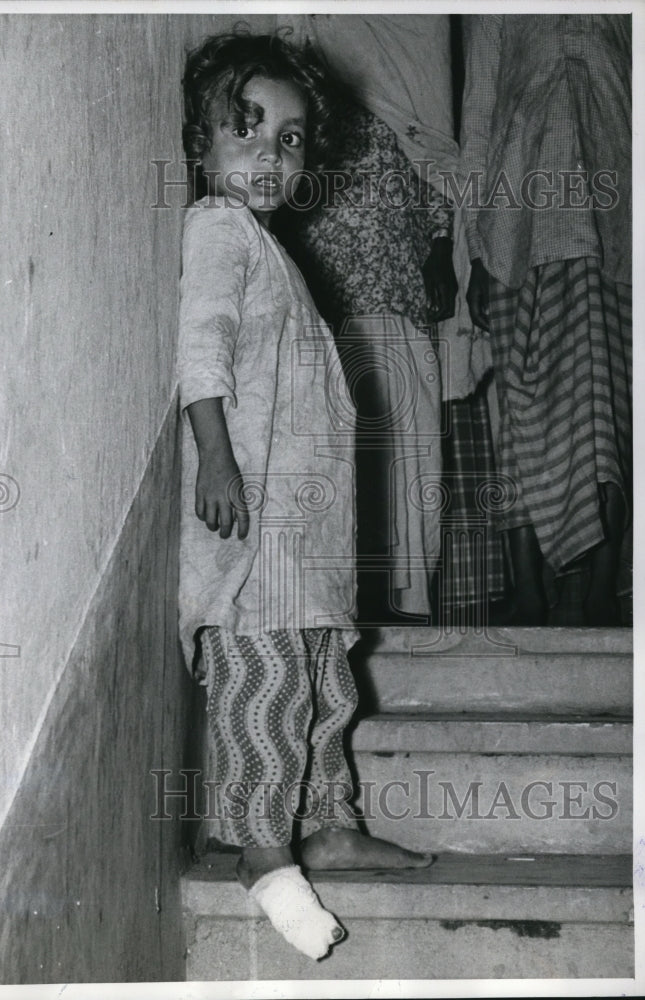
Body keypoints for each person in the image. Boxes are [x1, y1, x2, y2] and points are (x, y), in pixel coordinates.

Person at [177, 30, 432, 962]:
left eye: (288, 139)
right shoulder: (214, 230)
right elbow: (199, 352)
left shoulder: (271, 251)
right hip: (254, 534)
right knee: (266, 688)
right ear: (198, 146)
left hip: (306, 537)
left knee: (324, 681)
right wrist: (212, 457)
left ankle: (326, 822)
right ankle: (261, 849)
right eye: (245, 130)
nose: (268, 155)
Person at [276, 14, 467, 623]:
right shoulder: (298, 135)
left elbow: (435, 184)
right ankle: (348, 604)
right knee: (342, 463)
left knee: (411, 459)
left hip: (401, 307)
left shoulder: (392, 111)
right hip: (329, 319)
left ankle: (408, 605)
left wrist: (441, 251)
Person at [461, 14, 632, 625]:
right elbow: (479, 119)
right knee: (521, 416)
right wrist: (474, 253)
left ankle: (598, 595)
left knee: (602, 417)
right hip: (513, 237)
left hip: (614, 236)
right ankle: (530, 592)